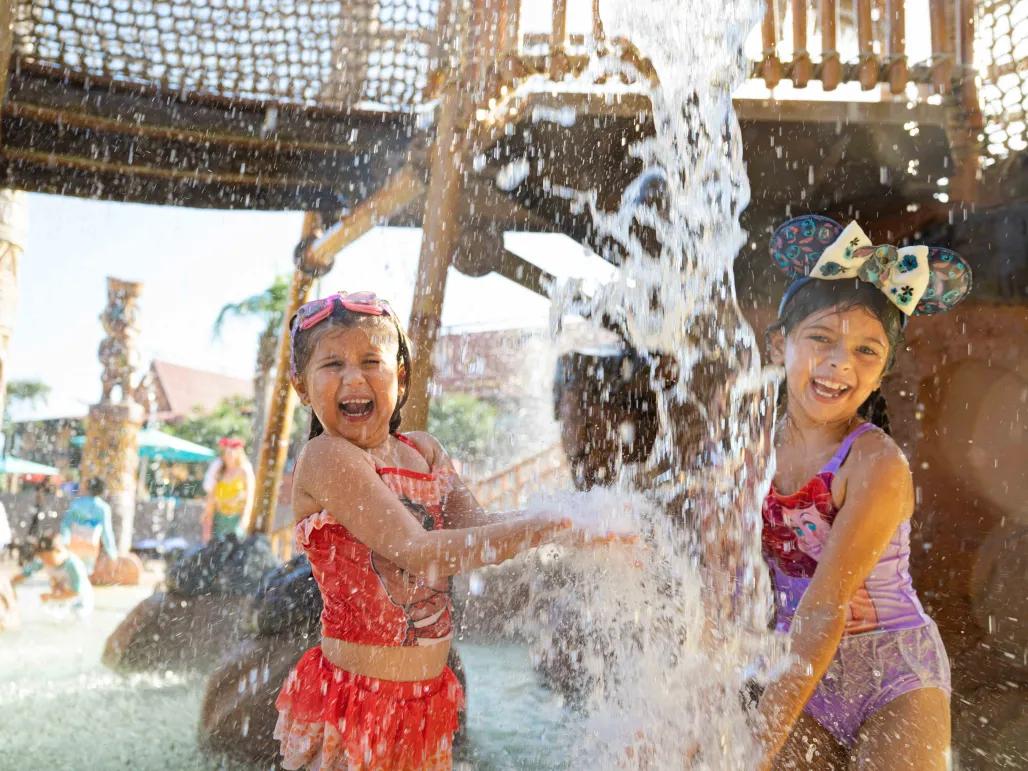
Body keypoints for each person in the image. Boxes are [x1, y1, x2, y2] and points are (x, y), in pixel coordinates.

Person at [273, 291, 580, 770]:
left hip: (424, 701)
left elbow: (478, 529)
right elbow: (417, 550)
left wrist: (569, 521)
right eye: (332, 363)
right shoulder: (328, 457)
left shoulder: (422, 451)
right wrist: (541, 529)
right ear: (301, 385)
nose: (353, 377)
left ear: (400, 374)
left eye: (371, 360)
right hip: (356, 704)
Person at [755, 216, 972, 769]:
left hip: (893, 675)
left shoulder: (875, 465)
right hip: (796, 662)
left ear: (882, 372)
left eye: (866, 352)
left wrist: (750, 751)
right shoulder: (748, 449)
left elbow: (825, 608)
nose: (838, 364)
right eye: (821, 339)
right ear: (780, 345)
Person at [12, 533, 94, 616]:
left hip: (80, 601)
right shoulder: (43, 561)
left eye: (48, 558)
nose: (45, 561)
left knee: (77, 617)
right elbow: (25, 574)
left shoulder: (74, 566)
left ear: (59, 550)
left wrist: (50, 597)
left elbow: (75, 592)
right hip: (60, 597)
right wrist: (11, 584)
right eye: (42, 558)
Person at [201, 437, 255, 542]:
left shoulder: (244, 471)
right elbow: (211, 498)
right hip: (219, 518)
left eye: (231, 452)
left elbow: (249, 498)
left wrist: (244, 519)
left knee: (234, 550)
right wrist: (207, 521)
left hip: (236, 518)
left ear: (238, 453)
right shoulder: (218, 471)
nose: (228, 455)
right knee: (217, 550)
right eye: (226, 452)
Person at [60, 477, 117, 572]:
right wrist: (112, 553)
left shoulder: (76, 504)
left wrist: (64, 540)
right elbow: (107, 532)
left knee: (72, 571)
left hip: (74, 542)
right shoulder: (103, 508)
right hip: (91, 544)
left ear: (87, 488)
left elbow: (66, 524)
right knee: (85, 572)